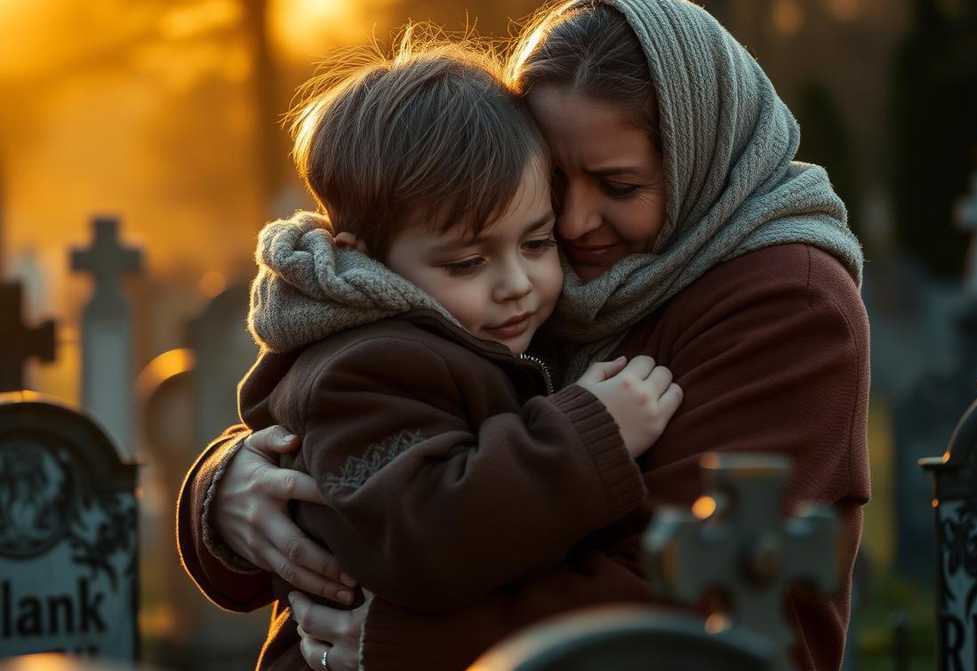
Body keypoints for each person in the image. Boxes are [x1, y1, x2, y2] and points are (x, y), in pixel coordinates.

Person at [177, 1, 871, 670]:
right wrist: (228, 493)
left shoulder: (785, 302)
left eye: (618, 185)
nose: (572, 223)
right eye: (556, 180)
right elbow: (367, 433)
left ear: (700, 158)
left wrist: (403, 646)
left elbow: (697, 585)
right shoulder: (525, 272)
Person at [204, 35, 683, 671]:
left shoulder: (451, 336)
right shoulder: (367, 366)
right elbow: (423, 537)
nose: (517, 283)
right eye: (467, 261)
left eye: (537, 243)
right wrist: (590, 432)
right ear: (366, 257)